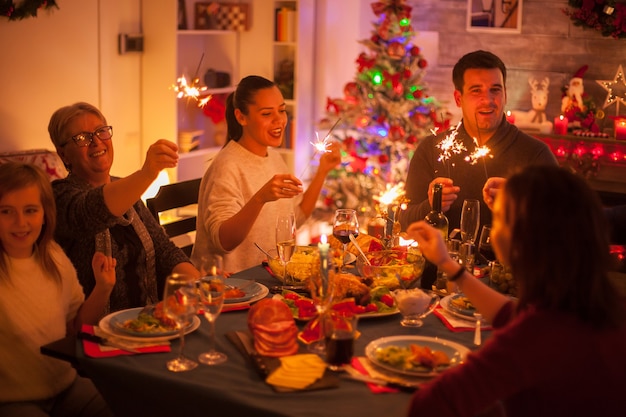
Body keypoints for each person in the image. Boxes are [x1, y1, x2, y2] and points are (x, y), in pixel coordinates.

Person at [405, 165, 626, 417]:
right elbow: (511, 316)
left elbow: (431, 404)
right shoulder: (604, 310)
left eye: (498, 219)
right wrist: (449, 265)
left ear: (521, 243)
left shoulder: (537, 338)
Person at [48, 102, 199, 313]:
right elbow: (92, 211)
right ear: (63, 154)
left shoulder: (125, 189)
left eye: (101, 131)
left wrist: (198, 282)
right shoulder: (59, 197)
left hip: (150, 320)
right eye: (82, 138)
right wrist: (146, 173)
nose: (97, 142)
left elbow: (163, 249)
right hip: (97, 331)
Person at [192, 75, 342, 272]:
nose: (279, 120)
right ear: (241, 117)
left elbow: (295, 218)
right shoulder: (226, 166)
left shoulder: (274, 158)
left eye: (282, 110)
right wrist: (260, 198)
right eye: (266, 114)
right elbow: (224, 242)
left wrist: (322, 172)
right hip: (231, 289)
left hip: (270, 279)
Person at [0, 162, 115, 417]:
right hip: (11, 401)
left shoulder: (52, 255)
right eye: (6, 211)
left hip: (67, 386)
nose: (20, 222)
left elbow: (76, 327)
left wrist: (103, 287)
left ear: (45, 214)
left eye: (30, 210)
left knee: (123, 405)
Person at [399, 50, 558, 233]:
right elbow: (404, 224)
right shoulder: (431, 150)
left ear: (505, 94)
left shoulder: (535, 155)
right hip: (441, 261)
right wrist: (431, 208)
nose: (487, 100)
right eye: (476, 91)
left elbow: (562, 230)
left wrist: (517, 207)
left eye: (495, 90)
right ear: (459, 98)